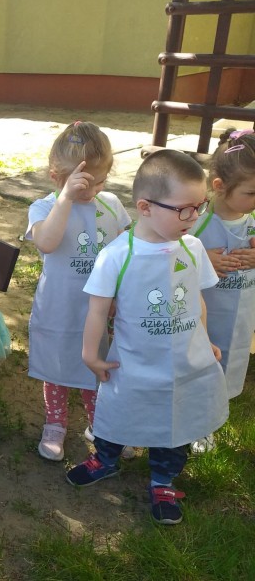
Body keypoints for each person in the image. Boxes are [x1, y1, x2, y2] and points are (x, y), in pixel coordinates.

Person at [72, 149, 228, 525]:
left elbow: (196, 300)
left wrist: (204, 338)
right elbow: (97, 310)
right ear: (144, 207)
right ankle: (105, 459)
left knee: (177, 422)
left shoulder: (192, 248)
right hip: (131, 362)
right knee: (117, 413)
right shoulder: (116, 256)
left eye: (200, 206)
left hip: (183, 364)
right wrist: (90, 354)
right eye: (184, 209)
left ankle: (163, 481)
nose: (194, 218)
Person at [25, 121, 131, 462]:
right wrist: (67, 198)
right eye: (86, 183)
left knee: (98, 366)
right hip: (60, 307)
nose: (95, 189)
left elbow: (125, 251)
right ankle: (55, 424)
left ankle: (100, 424)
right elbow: (47, 242)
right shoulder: (44, 208)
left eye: (101, 181)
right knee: (56, 367)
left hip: (98, 309)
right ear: (56, 177)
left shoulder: (110, 204)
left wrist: (119, 293)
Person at [189, 129, 255, 452]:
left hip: (240, 318)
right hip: (206, 317)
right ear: (219, 186)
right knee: (201, 365)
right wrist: (202, 260)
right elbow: (171, 258)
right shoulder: (196, 224)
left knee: (231, 363)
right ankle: (197, 424)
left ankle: (213, 418)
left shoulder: (252, 221)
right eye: (251, 192)